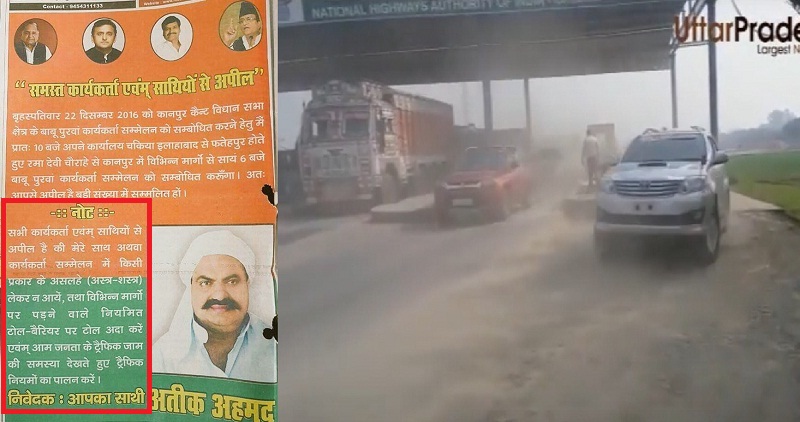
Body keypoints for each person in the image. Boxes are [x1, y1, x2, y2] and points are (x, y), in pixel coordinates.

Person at [152, 230, 277, 383]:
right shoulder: (162, 358)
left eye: (232, 281)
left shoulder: (275, 347)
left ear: (247, 284)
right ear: (190, 289)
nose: (219, 295)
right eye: (205, 283)